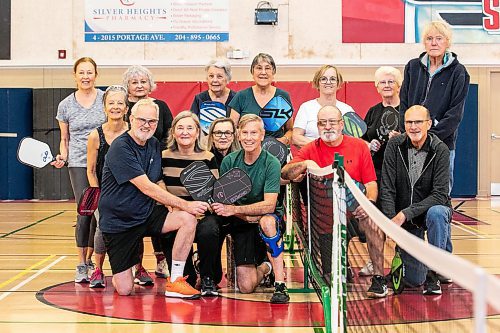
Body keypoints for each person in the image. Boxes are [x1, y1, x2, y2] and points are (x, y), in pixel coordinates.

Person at [98, 98, 210, 297]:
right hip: (119, 222)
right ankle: (122, 271)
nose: (146, 125)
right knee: (124, 290)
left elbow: (157, 180)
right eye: (142, 120)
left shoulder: (153, 144)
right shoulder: (120, 147)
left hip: (146, 213)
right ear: (130, 119)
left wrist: (175, 207)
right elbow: (146, 187)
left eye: (152, 121)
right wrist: (185, 203)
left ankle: (175, 280)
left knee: (187, 219)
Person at [281, 105, 387, 298]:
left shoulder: (359, 146)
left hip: (356, 211)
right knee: (333, 282)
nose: (327, 127)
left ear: (341, 124)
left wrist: (368, 204)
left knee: (374, 224)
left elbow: (371, 183)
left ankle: (379, 279)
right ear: (318, 126)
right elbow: (285, 174)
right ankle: (339, 265)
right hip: (325, 221)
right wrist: (305, 164)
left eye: (332, 122)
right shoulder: (310, 149)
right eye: (323, 123)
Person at [210, 114, 289, 304]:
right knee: (245, 287)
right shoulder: (229, 161)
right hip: (242, 221)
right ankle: (266, 267)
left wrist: (237, 211)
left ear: (262, 135)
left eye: (254, 133)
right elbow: (227, 201)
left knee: (267, 221)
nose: (248, 137)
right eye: (244, 132)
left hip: (266, 218)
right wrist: (239, 214)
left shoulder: (272, 163)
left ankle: (280, 285)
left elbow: (269, 205)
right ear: (238, 135)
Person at [380, 105, 452, 295]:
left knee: (437, 212)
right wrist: (390, 221)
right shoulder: (394, 146)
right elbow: (387, 187)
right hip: (408, 222)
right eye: (409, 122)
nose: (413, 127)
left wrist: (405, 213)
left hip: (430, 212)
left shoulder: (440, 150)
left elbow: (439, 195)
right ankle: (424, 269)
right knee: (413, 280)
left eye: (418, 122)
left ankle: (435, 272)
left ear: (428, 124)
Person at [52, 57, 106, 283]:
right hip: (79, 163)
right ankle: (82, 263)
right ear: (75, 75)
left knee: (102, 214)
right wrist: (62, 155)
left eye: (89, 72)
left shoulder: (105, 99)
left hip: (105, 162)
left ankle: (97, 262)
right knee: (85, 212)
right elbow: (65, 138)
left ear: (96, 75)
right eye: (81, 72)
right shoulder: (65, 105)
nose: (85, 76)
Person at [399, 20, 470, 192]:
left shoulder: (458, 72)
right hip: (412, 142)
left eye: (439, 38)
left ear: (447, 42)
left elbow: (455, 114)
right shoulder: (412, 67)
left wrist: (429, 138)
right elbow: (404, 104)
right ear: (424, 43)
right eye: (429, 38)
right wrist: (409, 133)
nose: (434, 43)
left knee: (439, 194)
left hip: (442, 143)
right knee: (412, 191)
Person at [122, 64, 174, 283]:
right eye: (134, 82)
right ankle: (136, 264)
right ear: (128, 86)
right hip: (132, 167)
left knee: (159, 211)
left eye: (143, 81)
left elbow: (170, 134)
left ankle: (162, 260)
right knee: (135, 214)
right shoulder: (122, 108)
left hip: (157, 166)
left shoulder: (161, 106)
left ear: (150, 85)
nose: (139, 85)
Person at [158, 111, 219, 289]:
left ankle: (207, 277)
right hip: (174, 213)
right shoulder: (164, 156)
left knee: (210, 229)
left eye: (190, 128)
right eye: (180, 128)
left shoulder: (208, 157)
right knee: (188, 281)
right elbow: (158, 182)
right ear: (173, 132)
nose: (185, 132)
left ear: (198, 132)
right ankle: (185, 276)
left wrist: (201, 207)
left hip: (201, 214)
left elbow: (214, 191)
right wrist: (171, 204)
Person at [359, 66, 402, 277]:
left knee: (398, 219)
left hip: (401, 175)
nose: (387, 85)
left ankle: (401, 260)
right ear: (377, 87)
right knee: (375, 219)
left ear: (398, 85)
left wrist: (400, 139)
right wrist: (369, 144)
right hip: (376, 173)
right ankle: (374, 262)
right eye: (382, 82)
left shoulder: (408, 111)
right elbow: (362, 139)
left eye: (390, 81)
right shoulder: (373, 112)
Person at [86, 85, 129, 288]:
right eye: (111, 103)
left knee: (134, 229)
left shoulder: (132, 132)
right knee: (103, 228)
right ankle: (98, 269)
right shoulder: (95, 135)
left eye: (120, 103)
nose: (115, 107)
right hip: (105, 194)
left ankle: (137, 267)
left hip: (131, 193)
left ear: (127, 108)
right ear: (104, 107)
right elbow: (91, 170)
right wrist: (98, 196)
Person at [195, 117, 240, 296]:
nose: (222, 136)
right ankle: (208, 277)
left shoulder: (242, 156)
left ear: (234, 135)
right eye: (218, 132)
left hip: (238, 213)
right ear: (211, 135)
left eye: (227, 132)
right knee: (209, 228)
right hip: (212, 212)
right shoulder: (204, 158)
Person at [229, 53, 293, 144]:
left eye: (267, 68)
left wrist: (284, 140)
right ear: (252, 72)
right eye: (259, 68)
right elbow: (232, 129)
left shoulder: (283, 96)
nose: (263, 72)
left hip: (275, 152)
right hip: (246, 150)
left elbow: (290, 130)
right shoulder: (241, 96)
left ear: (273, 72)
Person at [293, 65, 355, 148]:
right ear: (317, 83)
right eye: (323, 79)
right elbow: (296, 138)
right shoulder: (306, 108)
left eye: (333, 79)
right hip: (312, 157)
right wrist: (321, 145)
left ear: (338, 83)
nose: (328, 82)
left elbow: (354, 140)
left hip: (339, 156)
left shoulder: (347, 110)